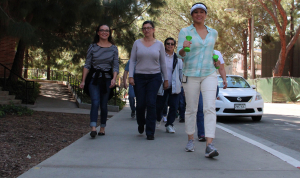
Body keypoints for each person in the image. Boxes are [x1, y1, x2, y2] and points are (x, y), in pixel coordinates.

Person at [177, 2, 226, 158]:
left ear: (206, 14)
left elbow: (210, 51)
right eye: (196, 12)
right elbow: (180, 54)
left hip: (209, 73)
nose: (199, 14)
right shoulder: (185, 31)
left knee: (209, 108)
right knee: (191, 108)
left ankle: (209, 145)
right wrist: (184, 48)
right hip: (190, 73)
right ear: (192, 15)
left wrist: (216, 61)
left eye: (202, 12)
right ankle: (190, 139)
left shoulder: (213, 33)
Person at [129, 20, 168, 140]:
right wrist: (131, 76)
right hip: (139, 76)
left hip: (154, 77)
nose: (146, 30)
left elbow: (163, 62)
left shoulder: (159, 44)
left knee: (151, 103)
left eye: (149, 28)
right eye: (144, 28)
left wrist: (166, 78)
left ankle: (150, 132)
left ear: (153, 30)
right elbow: (132, 60)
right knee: (140, 104)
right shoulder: (137, 43)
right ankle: (141, 122)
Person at [79, 24, 119, 138]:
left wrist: (114, 79)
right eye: (102, 30)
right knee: (95, 102)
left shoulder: (114, 48)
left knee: (104, 105)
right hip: (94, 79)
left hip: (107, 79)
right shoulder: (92, 47)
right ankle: (93, 127)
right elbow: (87, 64)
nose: (104, 32)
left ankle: (102, 127)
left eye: (107, 30)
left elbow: (116, 66)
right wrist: (83, 81)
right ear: (98, 32)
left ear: (109, 33)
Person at [197, 50, 227, 142]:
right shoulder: (198, 50)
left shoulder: (217, 53)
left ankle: (210, 133)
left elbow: (221, 68)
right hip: (199, 83)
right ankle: (202, 133)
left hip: (212, 84)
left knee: (210, 108)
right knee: (201, 107)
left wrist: (224, 80)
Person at [156, 37, 183, 133]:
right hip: (162, 86)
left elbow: (181, 73)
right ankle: (158, 119)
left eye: (172, 44)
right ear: (165, 45)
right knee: (159, 106)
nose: (170, 45)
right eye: (168, 43)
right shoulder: (160, 57)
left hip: (174, 86)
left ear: (174, 46)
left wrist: (182, 84)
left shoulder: (178, 59)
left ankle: (169, 124)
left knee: (174, 106)